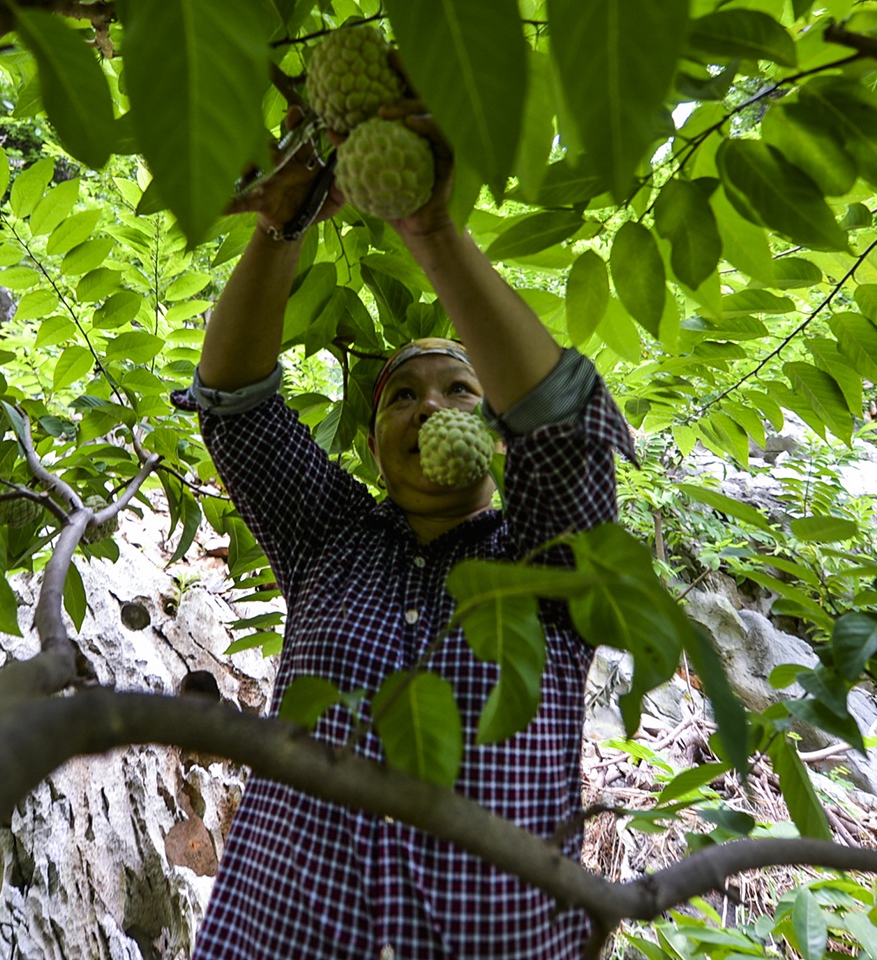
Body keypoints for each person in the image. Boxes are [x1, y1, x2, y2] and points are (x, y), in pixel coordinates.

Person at [177, 107, 635, 959]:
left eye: (461, 389)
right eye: (402, 395)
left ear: (500, 434)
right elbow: (234, 404)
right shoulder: (328, 536)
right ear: (376, 443)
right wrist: (285, 225)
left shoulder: (548, 561)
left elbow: (568, 436)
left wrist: (432, 231)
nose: (430, 404)